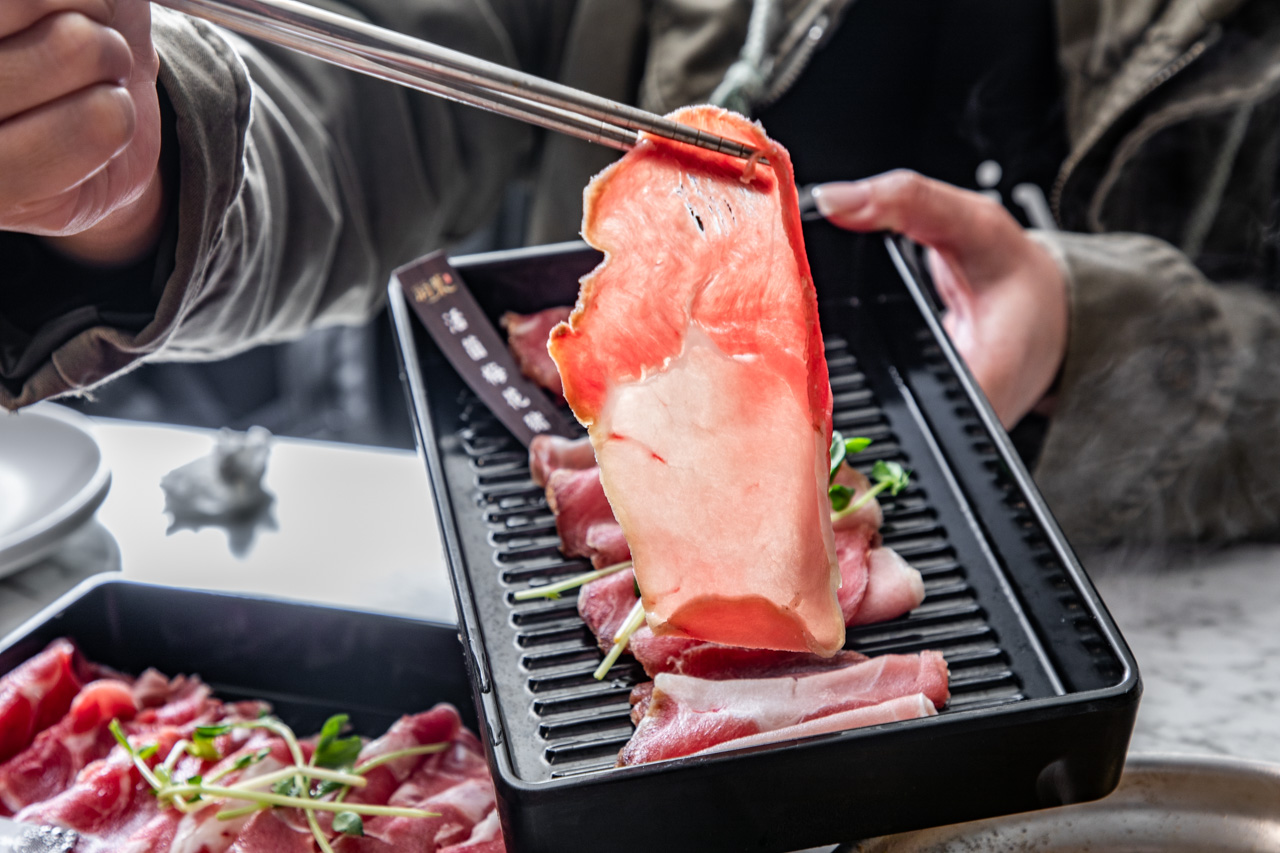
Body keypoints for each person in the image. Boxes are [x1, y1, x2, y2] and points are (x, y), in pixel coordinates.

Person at [1, 0, 1277, 545]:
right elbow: (358, 95)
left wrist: (1093, 327)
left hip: (1167, 632)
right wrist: (136, 182)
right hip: (642, 589)